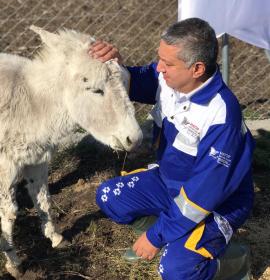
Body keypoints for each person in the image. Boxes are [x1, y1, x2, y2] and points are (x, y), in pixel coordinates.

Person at [93, 18, 254, 280]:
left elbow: (202, 196)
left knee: (175, 271)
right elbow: (132, 80)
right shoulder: (168, 80)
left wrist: (154, 237)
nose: (159, 68)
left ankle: (235, 264)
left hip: (214, 204)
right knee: (109, 197)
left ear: (197, 69)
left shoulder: (221, 114)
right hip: (169, 182)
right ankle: (174, 233)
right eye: (160, 59)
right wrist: (112, 63)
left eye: (168, 64)